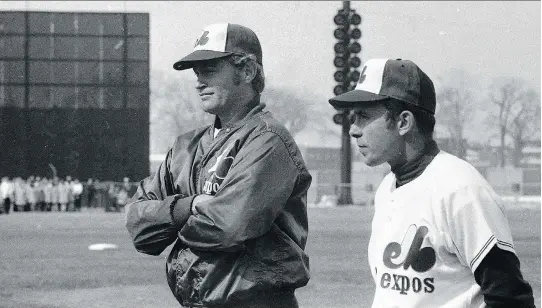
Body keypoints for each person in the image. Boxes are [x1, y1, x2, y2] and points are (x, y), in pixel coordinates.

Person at [125, 23, 312, 308]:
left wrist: (170, 220)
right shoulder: (186, 145)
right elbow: (139, 225)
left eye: (209, 70)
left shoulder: (268, 140)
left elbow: (228, 225)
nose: (199, 81)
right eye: (197, 72)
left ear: (247, 72)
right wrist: (189, 206)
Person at [328, 58, 535, 308]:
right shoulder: (387, 187)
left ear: (404, 122)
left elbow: (510, 298)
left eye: (363, 116)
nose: (353, 129)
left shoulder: (461, 190)